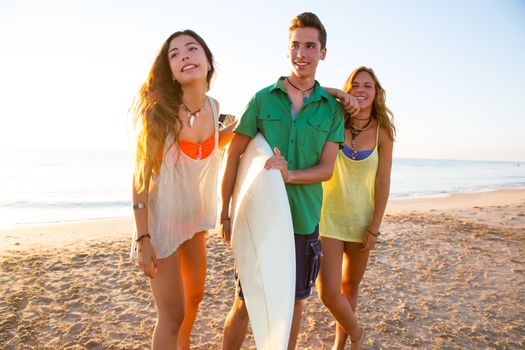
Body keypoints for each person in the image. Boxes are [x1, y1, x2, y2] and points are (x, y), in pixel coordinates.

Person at [220, 12, 363, 349]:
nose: (302, 53)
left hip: (302, 222)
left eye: (310, 46)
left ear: (322, 53)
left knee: (292, 305)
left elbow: (327, 168)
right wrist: (225, 213)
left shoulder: (331, 110)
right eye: (295, 46)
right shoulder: (262, 99)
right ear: (287, 50)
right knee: (244, 302)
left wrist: (289, 175)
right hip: (260, 218)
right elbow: (233, 155)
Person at [130, 30, 235, 350]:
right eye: (174, 54)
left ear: (207, 61)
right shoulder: (158, 115)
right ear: (171, 71)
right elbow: (140, 182)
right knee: (172, 313)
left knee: (194, 299)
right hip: (160, 227)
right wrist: (143, 237)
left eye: (192, 49)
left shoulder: (215, 108)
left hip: (194, 223)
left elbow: (211, 145)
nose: (184, 56)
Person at [318, 66, 396, 349]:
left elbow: (383, 182)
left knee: (350, 287)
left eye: (368, 86)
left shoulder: (382, 132)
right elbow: (307, 93)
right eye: (355, 85)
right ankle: (358, 334)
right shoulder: (333, 119)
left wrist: (375, 227)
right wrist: (338, 94)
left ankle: (340, 345)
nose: (361, 90)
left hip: (362, 221)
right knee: (328, 291)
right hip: (328, 217)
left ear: (377, 94)